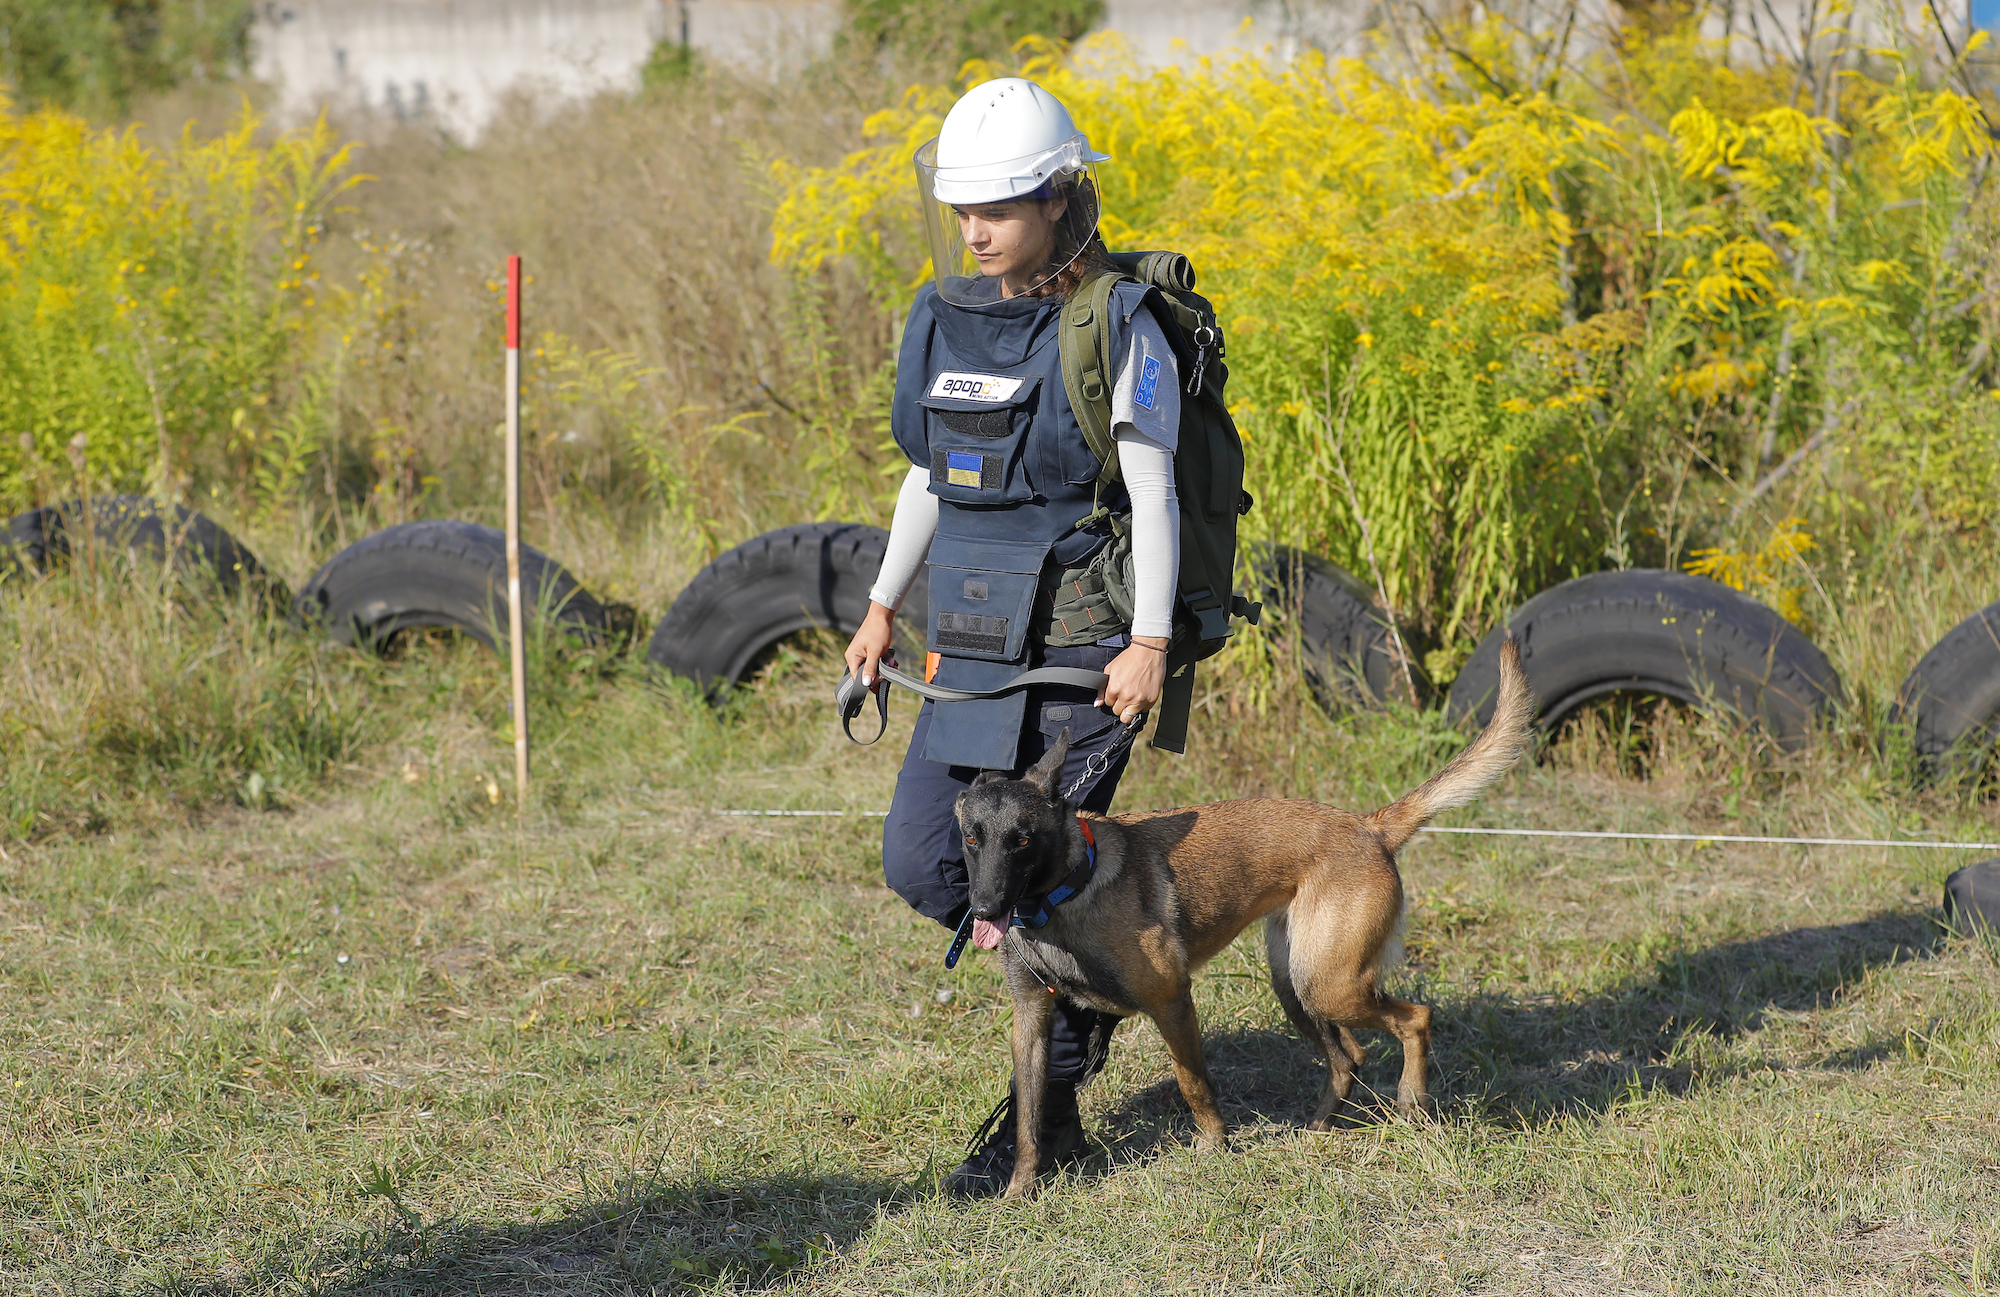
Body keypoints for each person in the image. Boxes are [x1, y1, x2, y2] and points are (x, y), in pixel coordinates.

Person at [842, 76, 1185, 1198]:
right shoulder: (948, 317)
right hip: (973, 644)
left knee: (1036, 862)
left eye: (997, 207)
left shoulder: (1116, 327)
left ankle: (1045, 1102)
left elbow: (1155, 484)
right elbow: (925, 476)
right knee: (922, 856)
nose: (975, 230)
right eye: (962, 212)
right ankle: (1099, 973)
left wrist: (1147, 642)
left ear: (1057, 197)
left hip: (1086, 650)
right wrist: (885, 601)